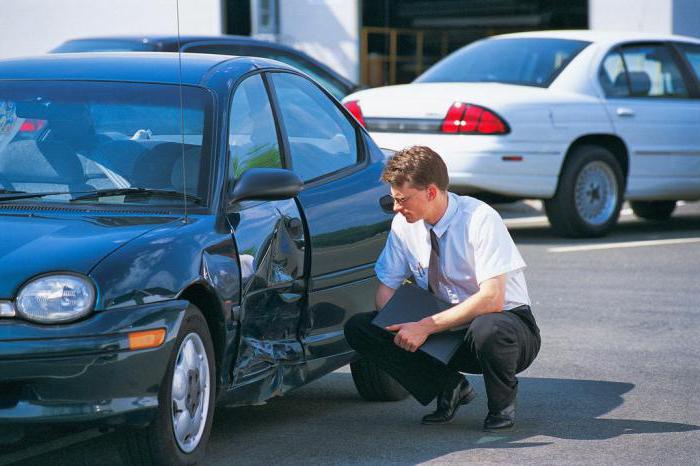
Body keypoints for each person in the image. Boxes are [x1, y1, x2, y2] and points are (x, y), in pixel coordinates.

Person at [344, 145, 541, 430]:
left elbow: (492, 299)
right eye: (393, 199)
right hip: (441, 322)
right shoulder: (404, 224)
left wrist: (424, 327)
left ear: (431, 192)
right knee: (362, 327)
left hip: (503, 329)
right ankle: (448, 386)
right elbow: (385, 293)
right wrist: (401, 329)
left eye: (402, 200)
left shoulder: (480, 218)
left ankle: (501, 406)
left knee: (488, 327)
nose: (397, 208)